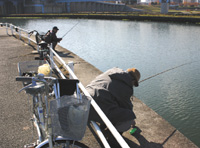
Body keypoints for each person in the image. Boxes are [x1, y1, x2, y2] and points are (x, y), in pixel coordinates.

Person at [86, 67, 141, 135]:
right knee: (129, 116)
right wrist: (132, 119)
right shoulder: (127, 88)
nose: (133, 86)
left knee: (108, 101)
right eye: (134, 84)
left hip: (85, 100)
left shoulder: (111, 71)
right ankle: (113, 137)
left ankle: (103, 125)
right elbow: (127, 107)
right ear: (133, 80)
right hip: (93, 110)